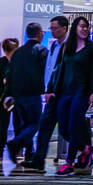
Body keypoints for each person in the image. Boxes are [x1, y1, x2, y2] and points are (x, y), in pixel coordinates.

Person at [54, 16, 93, 175]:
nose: (85, 29)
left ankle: (69, 163)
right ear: (75, 28)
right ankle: (85, 148)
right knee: (63, 128)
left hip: (81, 92)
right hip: (65, 91)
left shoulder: (91, 49)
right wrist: (52, 89)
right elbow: (59, 70)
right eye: (82, 26)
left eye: (87, 27)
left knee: (74, 126)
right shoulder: (67, 47)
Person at [24, 15, 69, 172]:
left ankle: (84, 148)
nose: (52, 31)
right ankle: (39, 159)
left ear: (64, 28)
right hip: (52, 94)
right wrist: (47, 88)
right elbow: (51, 69)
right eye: (51, 28)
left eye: (55, 28)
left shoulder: (69, 46)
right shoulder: (54, 46)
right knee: (45, 125)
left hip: (63, 93)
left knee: (66, 128)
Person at [5, 23, 47, 163]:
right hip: (33, 93)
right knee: (34, 123)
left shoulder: (18, 52)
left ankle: (29, 152)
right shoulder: (41, 51)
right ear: (40, 33)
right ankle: (16, 143)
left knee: (25, 124)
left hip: (18, 95)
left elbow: (9, 73)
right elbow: (46, 72)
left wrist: (8, 94)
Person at [0, 38, 18, 160]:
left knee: (18, 125)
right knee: (3, 126)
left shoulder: (19, 62)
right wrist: (2, 81)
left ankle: (17, 150)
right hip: (3, 97)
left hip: (17, 97)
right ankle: (0, 151)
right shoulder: (0, 63)